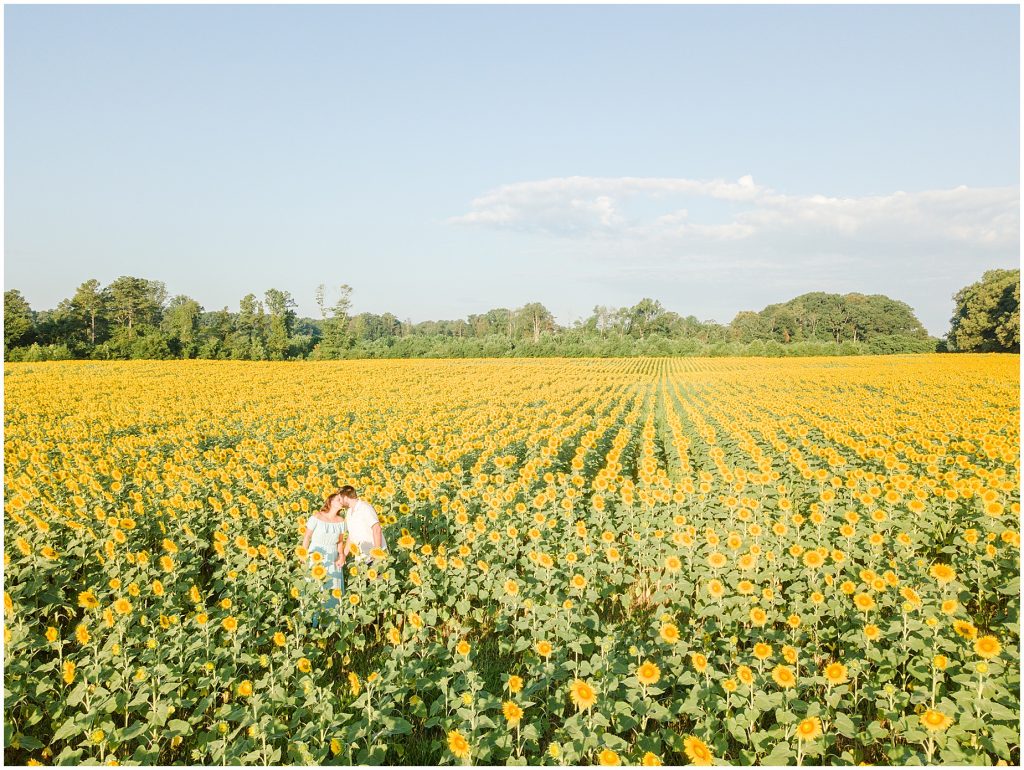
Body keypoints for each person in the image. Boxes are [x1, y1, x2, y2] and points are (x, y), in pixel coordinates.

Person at [301, 490, 347, 627]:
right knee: (314, 586)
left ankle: (329, 624)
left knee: (331, 587)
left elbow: (340, 542)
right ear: (331, 502)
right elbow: (307, 537)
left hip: (332, 556)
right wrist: (303, 554)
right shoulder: (317, 517)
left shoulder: (341, 521)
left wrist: (341, 555)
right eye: (338, 499)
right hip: (316, 553)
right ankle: (310, 622)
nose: (341, 501)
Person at [338, 485, 388, 565]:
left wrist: (377, 553)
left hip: (374, 556)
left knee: (379, 577)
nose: (339, 501)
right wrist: (343, 555)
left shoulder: (365, 508)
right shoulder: (349, 512)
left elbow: (376, 529)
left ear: (345, 497)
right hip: (361, 558)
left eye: (340, 499)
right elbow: (351, 536)